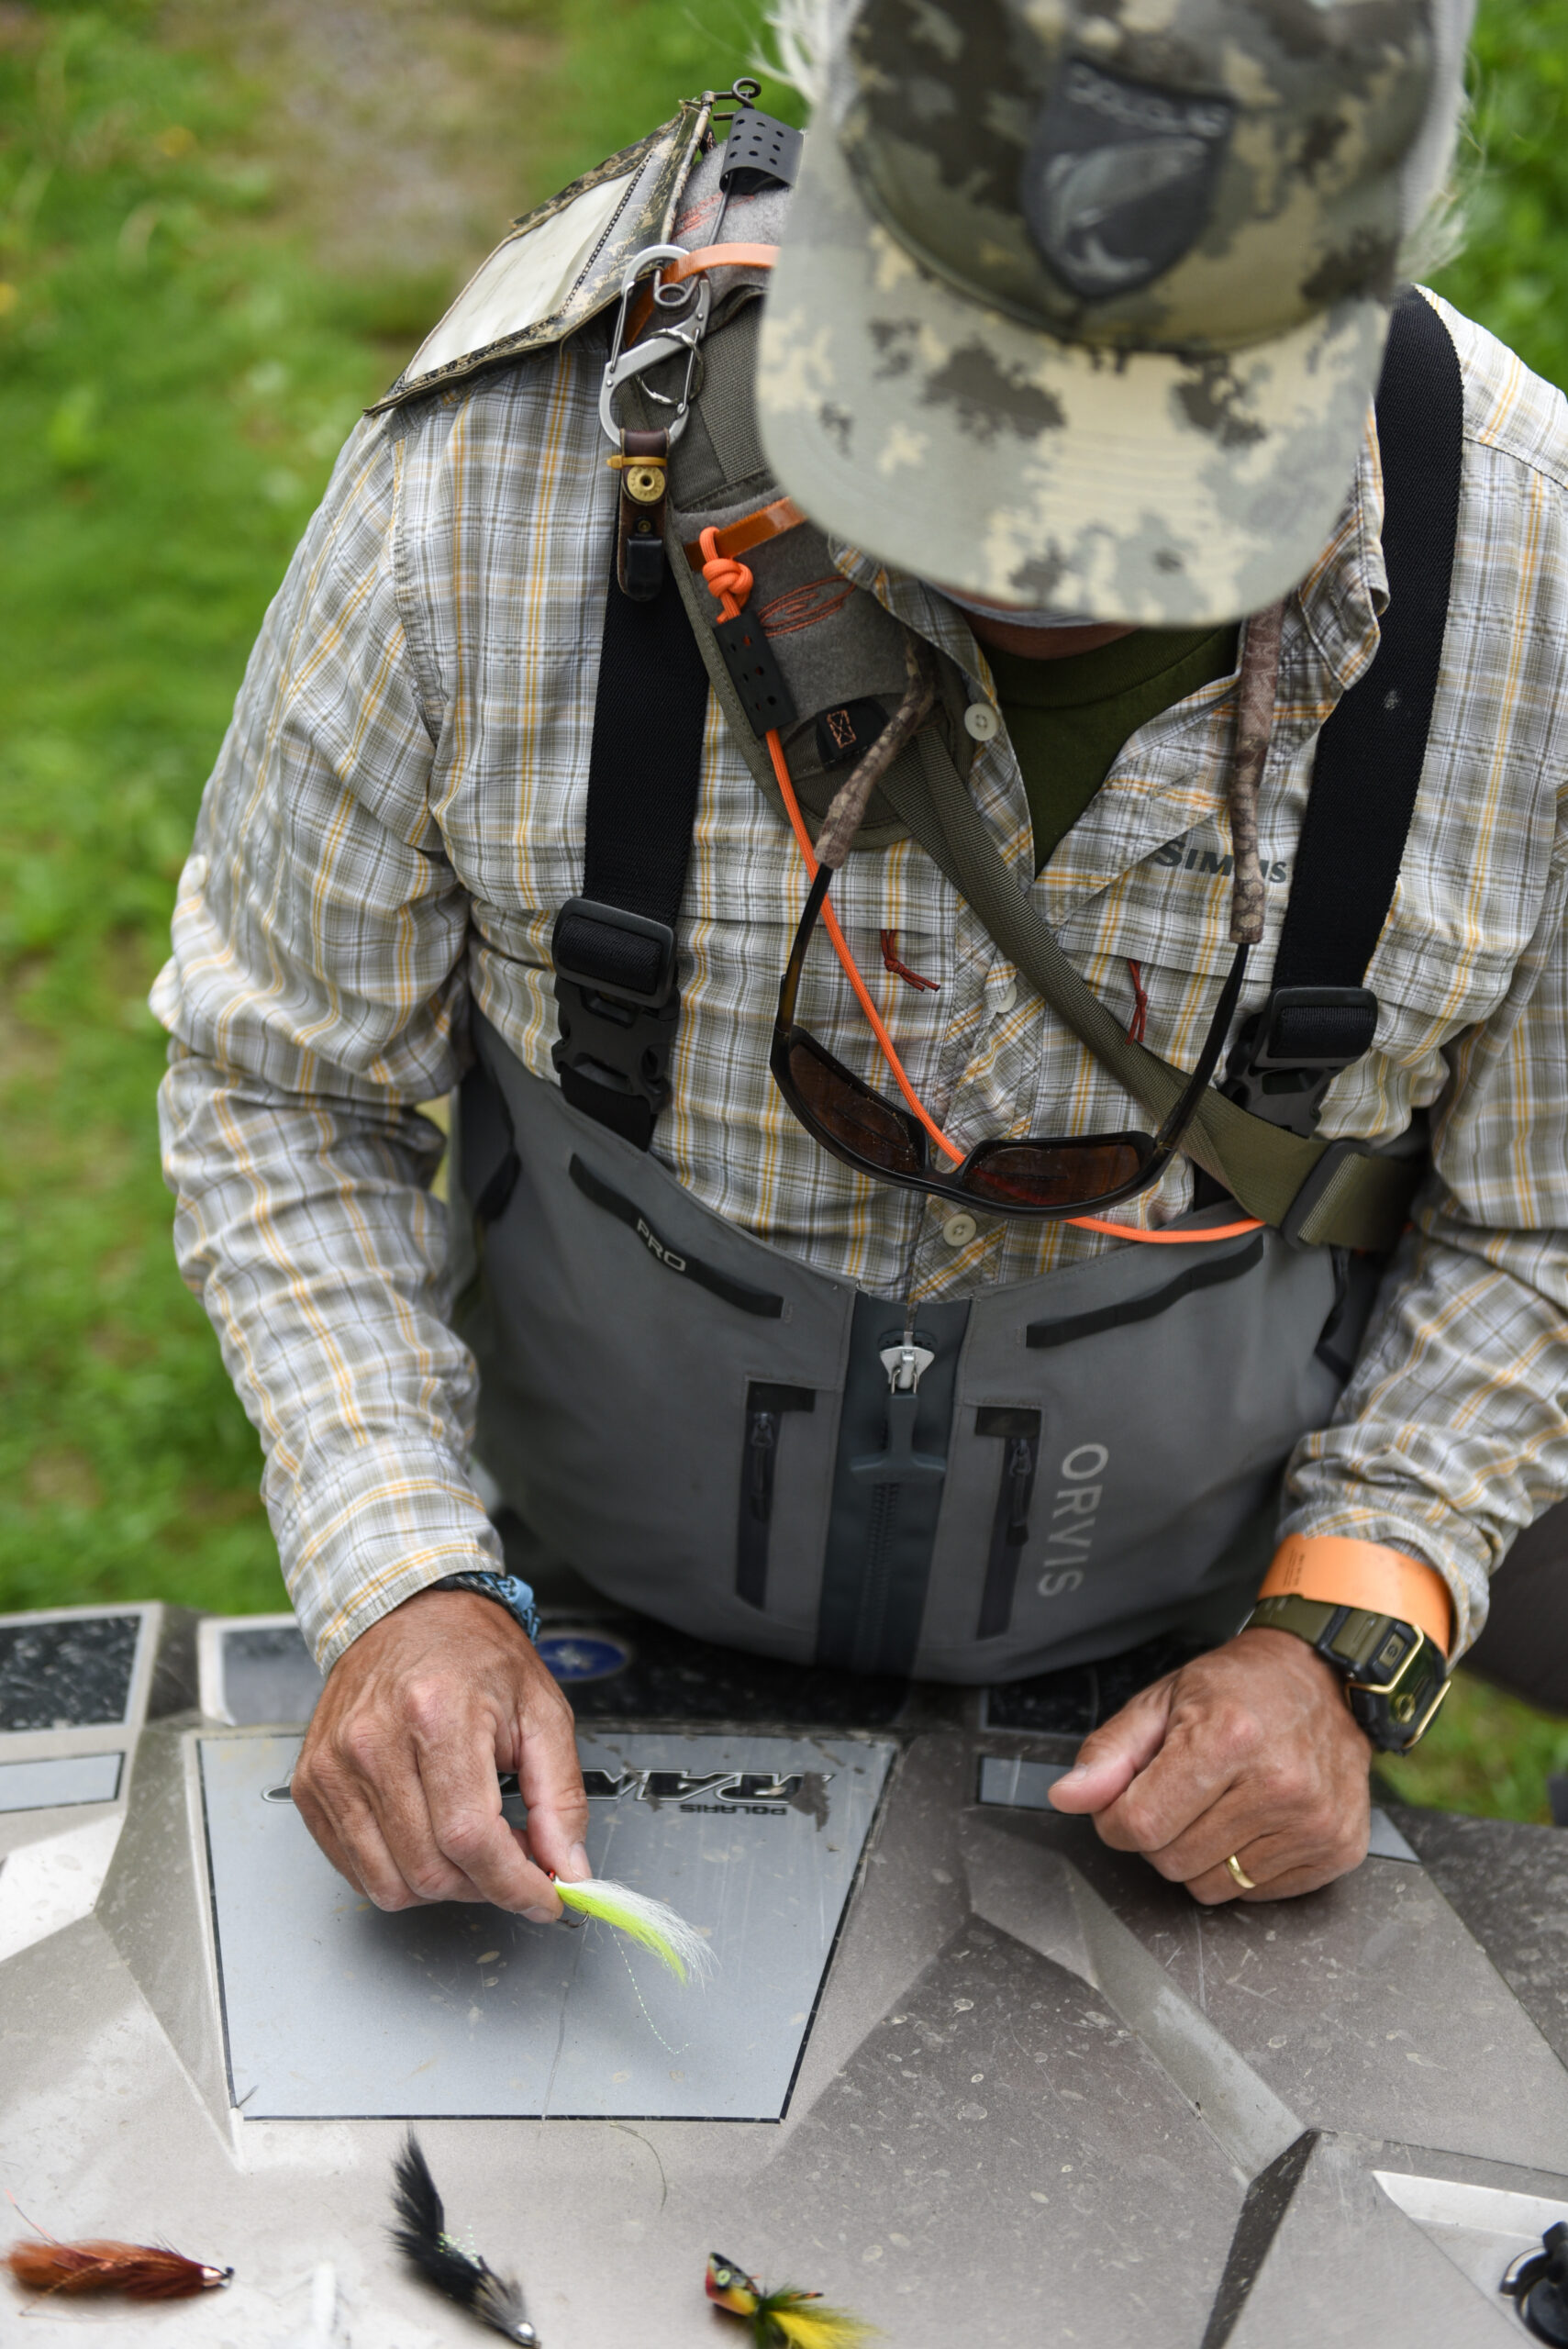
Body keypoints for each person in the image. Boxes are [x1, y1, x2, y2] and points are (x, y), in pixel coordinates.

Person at [154, 0, 1568, 1929]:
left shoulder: (1535, 583)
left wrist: (1345, 1626)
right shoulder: (489, 488)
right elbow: (282, 1076)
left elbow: (1541, 1222)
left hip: (1171, 1674)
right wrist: (405, 1572)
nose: (1040, 566)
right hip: (588, 1616)